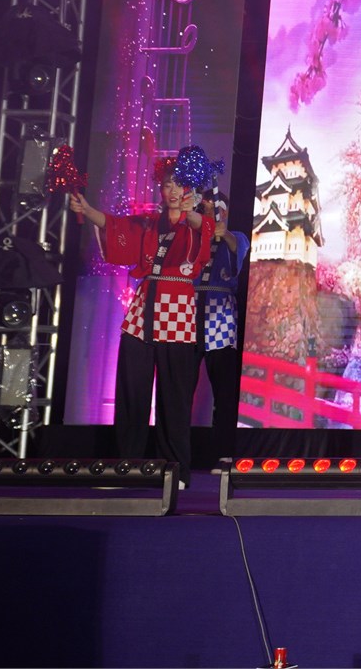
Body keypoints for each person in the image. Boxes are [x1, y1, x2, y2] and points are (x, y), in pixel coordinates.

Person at [67, 153, 218, 489]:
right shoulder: (150, 223)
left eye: (179, 184)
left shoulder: (200, 221)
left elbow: (201, 230)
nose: (172, 191)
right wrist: (87, 210)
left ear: (189, 188)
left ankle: (175, 471)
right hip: (142, 313)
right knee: (131, 393)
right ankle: (128, 466)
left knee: (174, 399)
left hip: (178, 313)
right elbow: (116, 226)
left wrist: (190, 213)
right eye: (167, 185)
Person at [194, 208, 247, 466]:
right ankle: (176, 453)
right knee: (179, 386)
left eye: (213, 211)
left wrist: (223, 233)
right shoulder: (192, 238)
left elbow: (237, 246)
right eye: (203, 210)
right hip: (190, 311)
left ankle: (223, 451)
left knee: (224, 390)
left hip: (221, 315)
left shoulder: (235, 237)